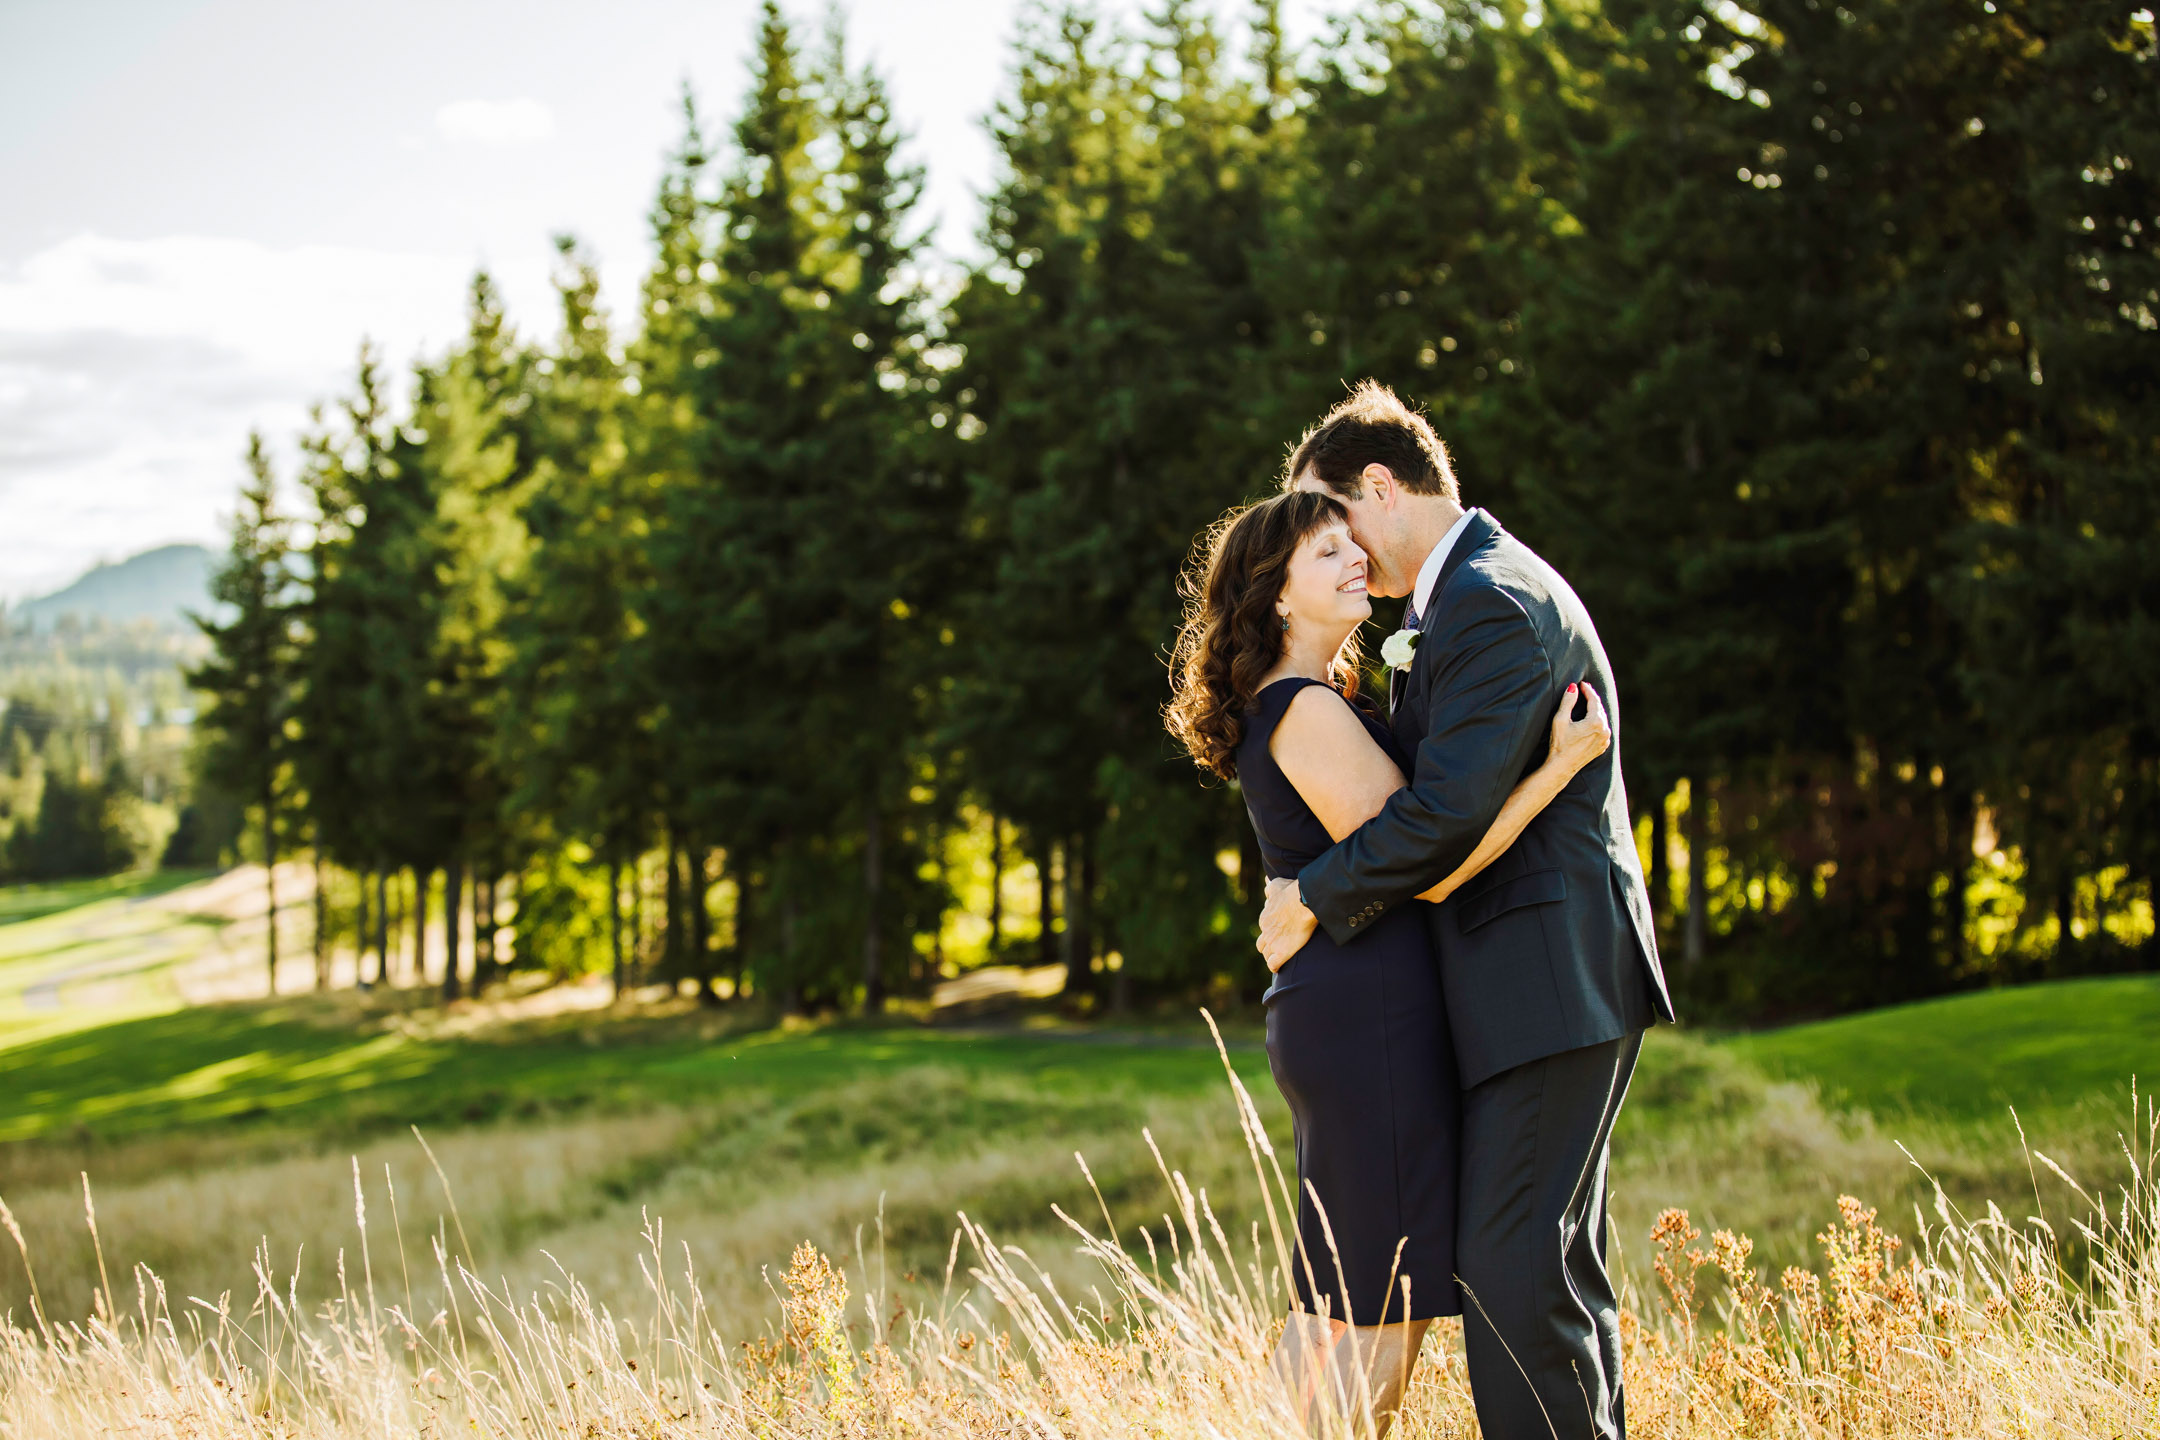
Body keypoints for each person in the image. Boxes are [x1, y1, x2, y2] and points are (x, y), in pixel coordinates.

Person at [1254, 382, 1674, 1440]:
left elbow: (1440, 821)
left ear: (1381, 486)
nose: (1336, 549)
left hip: (1545, 978)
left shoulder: (1490, 596)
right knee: (1540, 1268)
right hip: (1520, 983)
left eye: (1333, 519)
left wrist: (1314, 895)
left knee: (1512, 1268)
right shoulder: (1456, 601)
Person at [1165, 487, 1614, 1436]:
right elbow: (1433, 867)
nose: (1353, 562)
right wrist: (1555, 773)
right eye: (1325, 554)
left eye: (1348, 545)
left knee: (1347, 1293)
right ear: (1277, 597)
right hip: (1368, 1018)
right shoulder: (1300, 709)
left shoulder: (1316, 699)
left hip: (1356, 1007)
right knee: (1379, 1303)